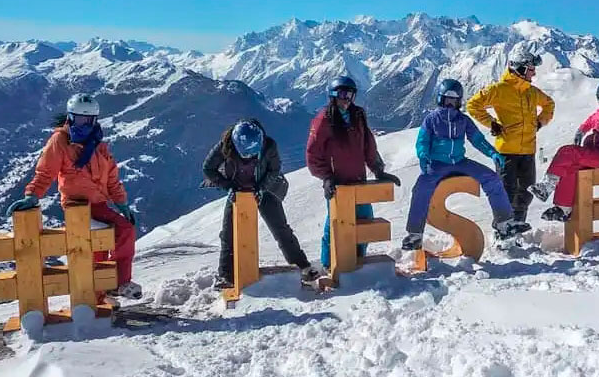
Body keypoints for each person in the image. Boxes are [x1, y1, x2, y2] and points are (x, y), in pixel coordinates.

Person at [7, 94, 142, 299]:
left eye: (88, 120)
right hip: (76, 206)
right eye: (79, 119)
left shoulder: (98, 144)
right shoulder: (60, 141)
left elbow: (111, 178)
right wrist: (32, 195)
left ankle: (100, 295)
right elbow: (46, 172)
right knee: (116, 233)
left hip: (98, 204)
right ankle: (117, 282)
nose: (84, 124)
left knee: (105, 242)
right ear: (70, 117)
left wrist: (121, 202)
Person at [402, 79, 530, 250]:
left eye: (454, 101)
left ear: (459, 102)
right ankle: (415, 234)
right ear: (440, 99)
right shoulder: (431, 120)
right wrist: (423, 155)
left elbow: (478, 140)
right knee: (421, 188)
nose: (450, 104)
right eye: (447, 100)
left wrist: (492, 153)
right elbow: (422, 141)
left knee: (492, 178)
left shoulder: (463, 120)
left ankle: (503, 223)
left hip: (459, 162)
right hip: (437, 163)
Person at [202, 118, 314, 288]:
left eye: (253, 153)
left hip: (264, 189)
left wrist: (261, 188)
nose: (249, 157)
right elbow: (208, 168)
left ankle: (303, 266)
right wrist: (228, 186)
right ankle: (226, 276)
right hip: (237, 191)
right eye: (245, 153)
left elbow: (274, 170)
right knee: (228, 233)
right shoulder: (225, 145)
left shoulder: (269, 146)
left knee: (280, 228)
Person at [305, 76, 401, 272]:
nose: (347, 99)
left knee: (365, 220)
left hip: (358, 182)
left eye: (350, 94)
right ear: (333, 95)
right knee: (335, 223)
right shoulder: (324, 120)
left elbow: (368, 145)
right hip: (338, 184)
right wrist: (327, 177)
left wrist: (378, 170)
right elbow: (313, 154)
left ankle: (358, 259)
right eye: (342, 94)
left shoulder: (357, 115)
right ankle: (328, 263)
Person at [466, 44, 555, 223]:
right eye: (531, 69)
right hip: (506, 152)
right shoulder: (499, 89)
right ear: (520, 69)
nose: (534, 73)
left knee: (526, 194)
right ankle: (502, 231)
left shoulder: (531, 91)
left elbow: (549, 104)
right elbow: (472, 105)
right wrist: (492, 123)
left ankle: (518, 226)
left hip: (528, 151)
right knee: (506, 194)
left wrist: (539, 122)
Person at [528, 81, 599, 222]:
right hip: (592, 152)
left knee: (568, 151)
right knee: (570, 168)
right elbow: (590, 121)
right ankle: (563, 209)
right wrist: (581, 131)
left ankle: (547, 185)